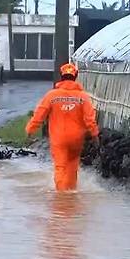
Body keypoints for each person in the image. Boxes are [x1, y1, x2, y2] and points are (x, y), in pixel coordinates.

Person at [25, 63, 99, 191]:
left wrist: (30, 130)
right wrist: (95, 135)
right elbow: (90, 119)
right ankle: (71, 193)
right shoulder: (83, 97)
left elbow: (39, 114)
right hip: (77, 139)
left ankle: (61, 196)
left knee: (60, 167)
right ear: (75, 77)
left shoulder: (51, 96)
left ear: (61, 76)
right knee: (72, 167)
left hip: (58, 139)